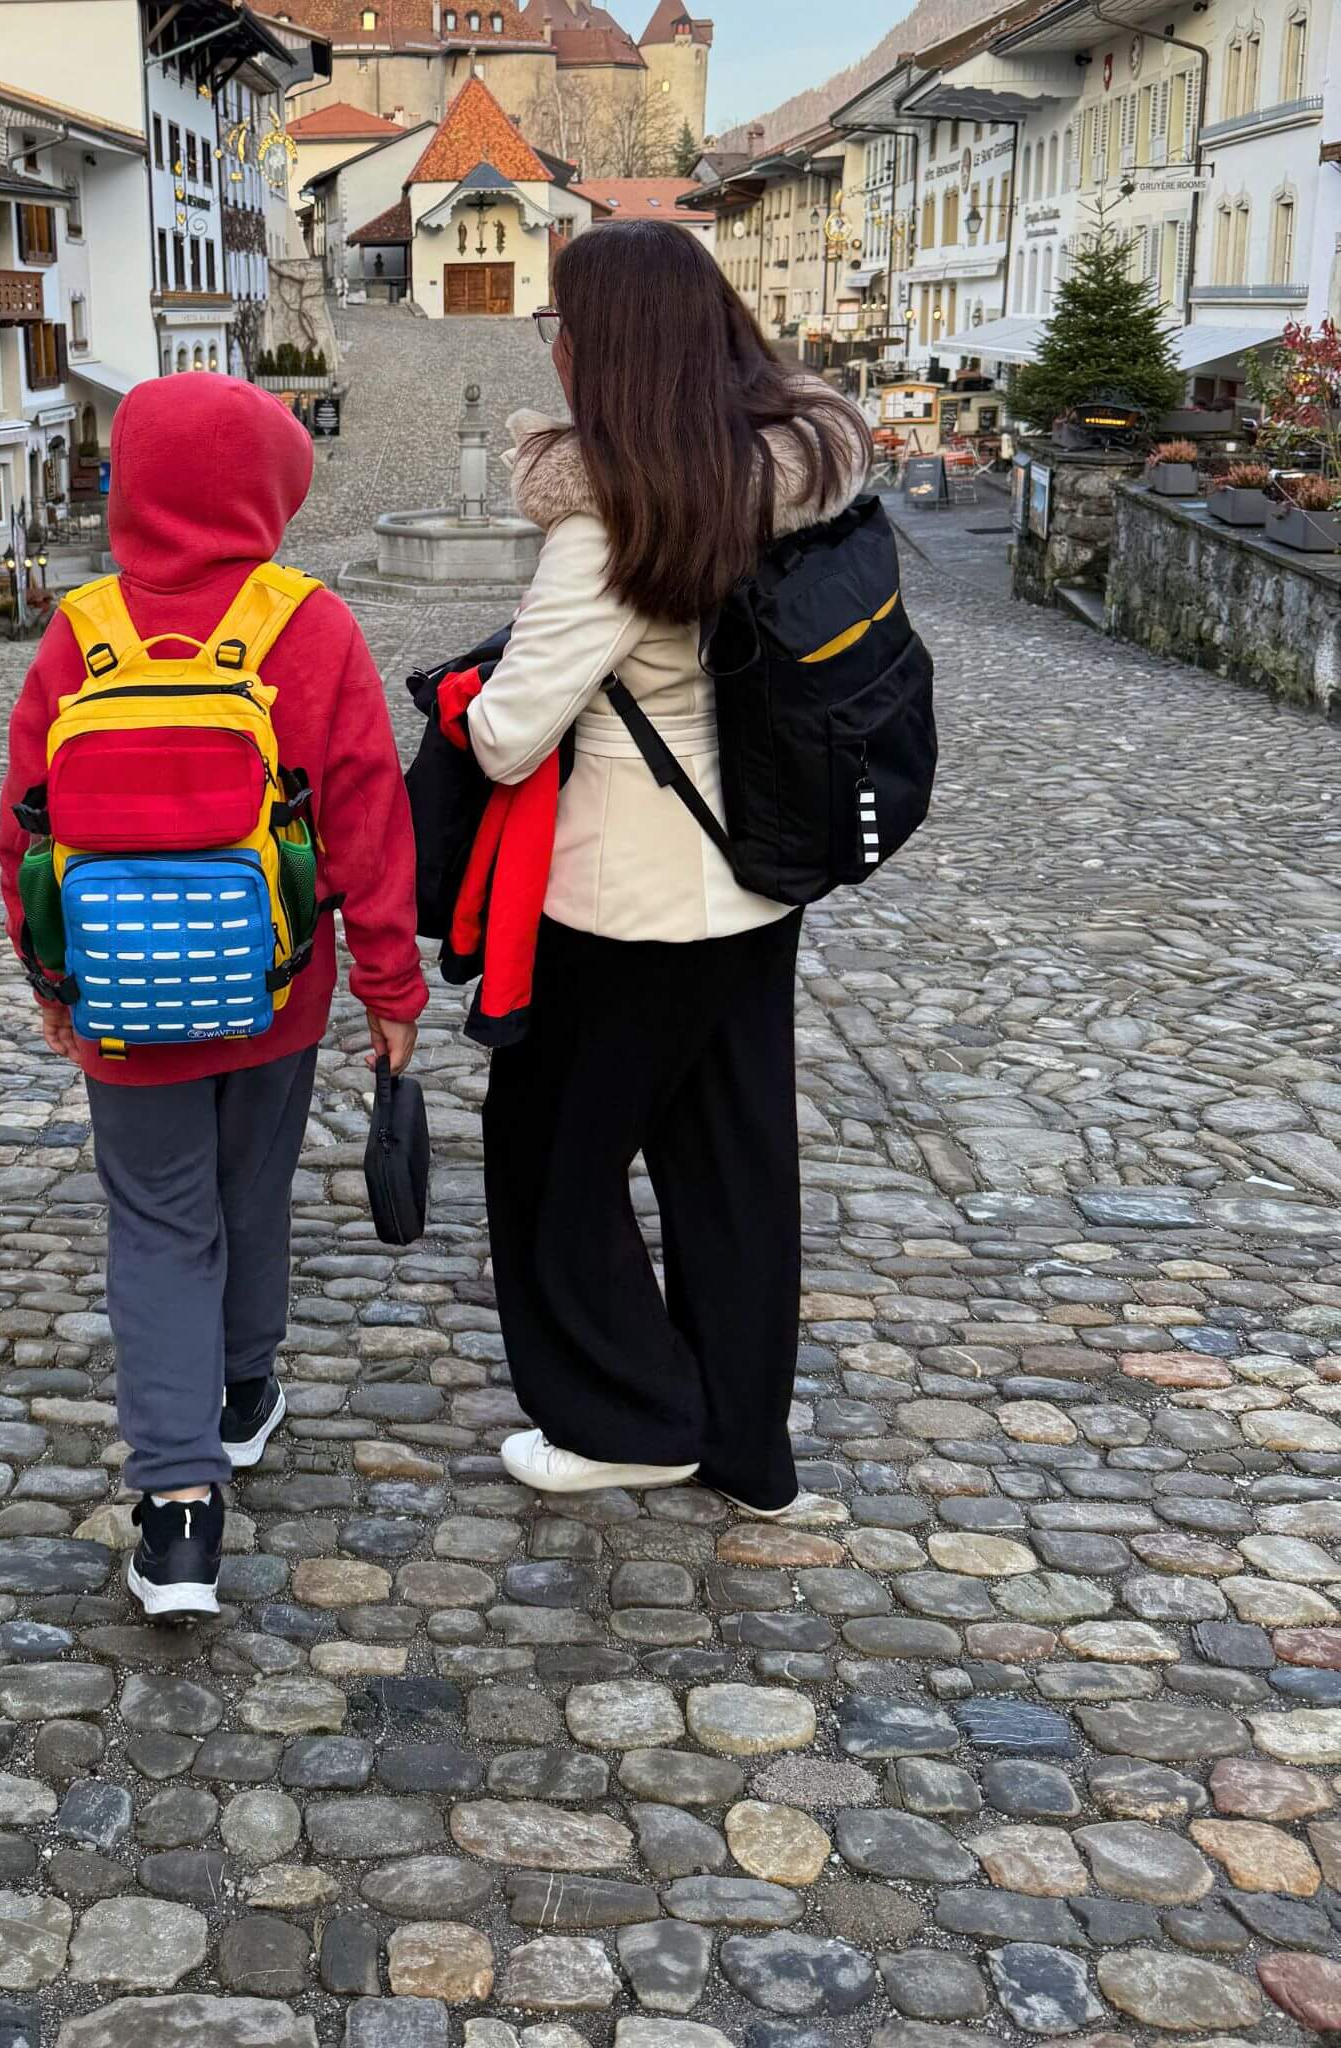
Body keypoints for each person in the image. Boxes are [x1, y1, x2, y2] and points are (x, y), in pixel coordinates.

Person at [0, 373, 426, 1617]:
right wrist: (389, 985)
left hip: (125, 1000)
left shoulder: (79, 628)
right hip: (276, 989)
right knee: (251, 1186)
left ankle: (177, 1510)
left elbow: (25, 818)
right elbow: (364, 825)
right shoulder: (309, 624)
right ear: (263, 487)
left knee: (156, 1220)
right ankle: (241, 1390)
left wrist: (50, 974)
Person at [458, 221, 869, 1518]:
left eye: (564, 324)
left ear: (609, 348)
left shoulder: (616, 519)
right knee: (732, 1170)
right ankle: (747, 1450)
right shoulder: (792, 477)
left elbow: (511, 730)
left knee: (550, 1160)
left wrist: (475, 691)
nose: (557, 346)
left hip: (623, 907)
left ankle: (623, 1416)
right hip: (756, 882)